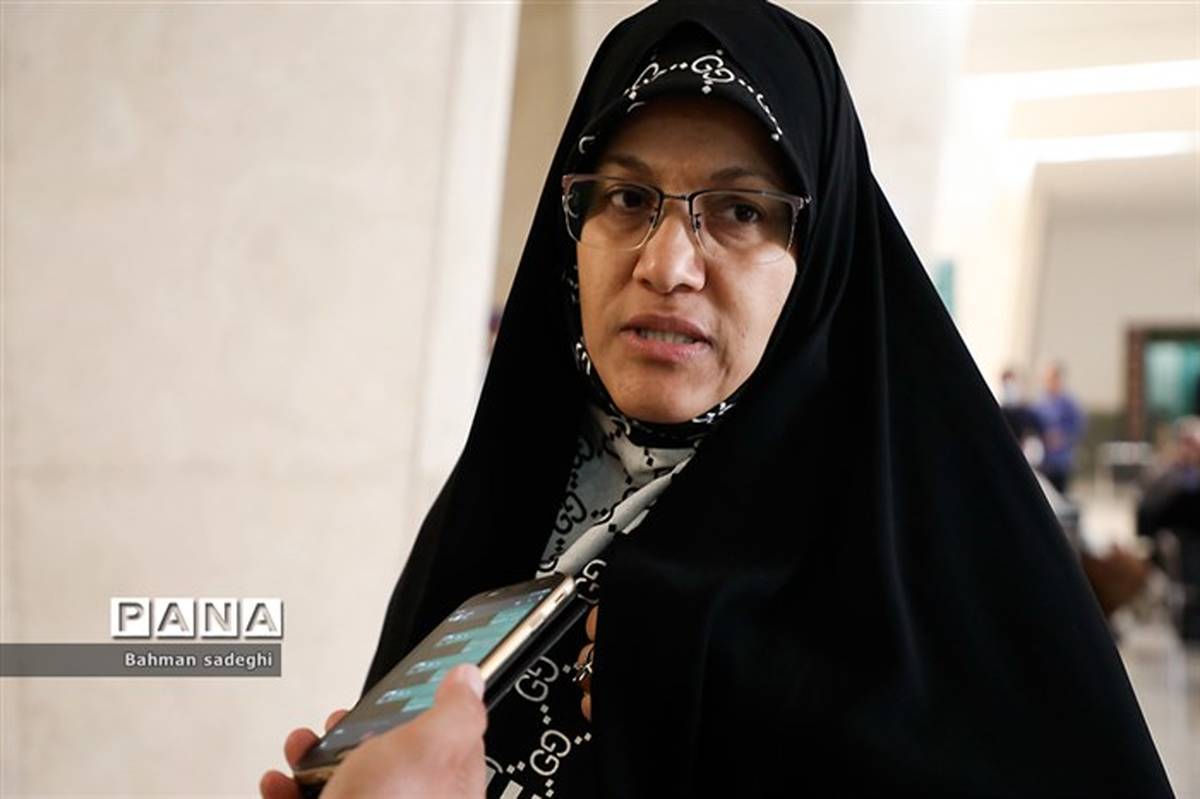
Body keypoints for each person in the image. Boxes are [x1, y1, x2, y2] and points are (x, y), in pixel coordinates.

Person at [264, 1, 1173, 795]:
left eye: (741, 211)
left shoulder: (930, 575)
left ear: (819, 256)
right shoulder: (497, 508)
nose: (667, 265)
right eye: (627, 197)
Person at [1033, 360, 1086, 494]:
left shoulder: (1069, 403)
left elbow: (1078, 428)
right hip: (1043, 460)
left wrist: (1062, 438)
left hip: (1061, 461)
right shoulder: (1041, 402)